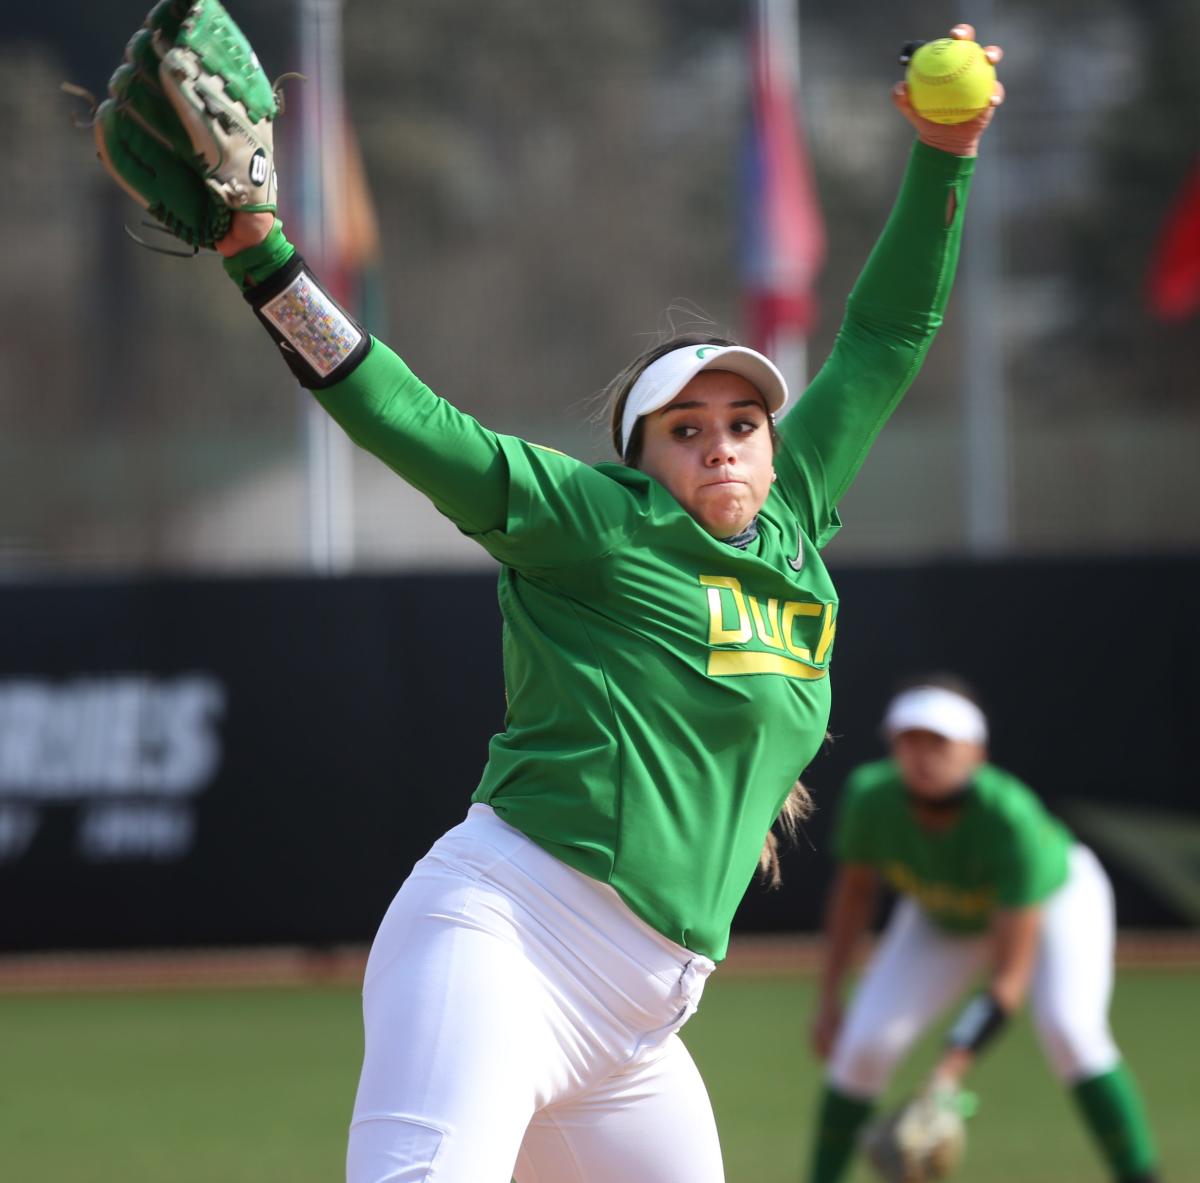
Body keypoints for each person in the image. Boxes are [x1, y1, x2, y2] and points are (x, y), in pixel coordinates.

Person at [92, 6, 1001, 1180]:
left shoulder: (792, 519)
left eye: (743, 422)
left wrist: (946, 154)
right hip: (505, 945)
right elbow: (403, 415)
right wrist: (265, 258)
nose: (724, 444)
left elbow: (885, 337)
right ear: (641, 457)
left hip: (640, 1031)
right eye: (687, 429)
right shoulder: (592, 524)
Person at [807, 675, 1162, 1183]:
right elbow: (855, 895)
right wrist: (828, 997)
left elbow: (1009, 979)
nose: (923, 755)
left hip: (1057, 900)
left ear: (977, 752)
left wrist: (947, 1075)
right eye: (909, 740)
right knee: (863, 1047)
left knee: (1070, 1030)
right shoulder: (872, 798)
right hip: (941, 910)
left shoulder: (1009, 819)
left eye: (940, 742)